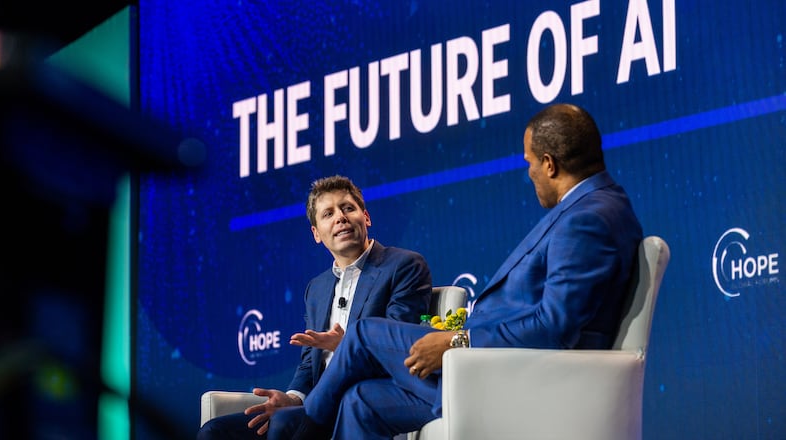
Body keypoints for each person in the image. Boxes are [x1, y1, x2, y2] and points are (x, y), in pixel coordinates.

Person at [285, 103, 644, 440]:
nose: (530, 172)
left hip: (506, 376)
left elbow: (555, 327)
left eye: (529, 162)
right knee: (361, 401)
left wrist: (457, 341)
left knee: (363, 334)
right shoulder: (594, 208)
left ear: (549, 164)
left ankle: (301, 428)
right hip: (484, 369)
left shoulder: (588, 218)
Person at [197, 175, 432, 440]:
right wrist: (293, 398)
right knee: (215, 432)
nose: (340, 218)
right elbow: (311, 363)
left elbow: (399, 347)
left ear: (366, 217)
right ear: (316, 234)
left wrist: (349, 345)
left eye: (348, 208)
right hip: (314, 406)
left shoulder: (404, 266)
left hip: (363, 402)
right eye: (328, 214)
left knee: (285, 429)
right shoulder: (316, 289)